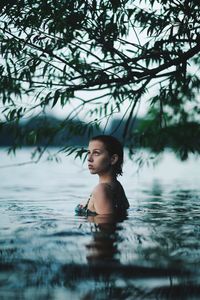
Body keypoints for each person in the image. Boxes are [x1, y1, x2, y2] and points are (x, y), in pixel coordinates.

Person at [75, 135, 129, 216]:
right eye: (89, 152)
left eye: (96, 153)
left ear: (113, 159)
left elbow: (107, 225)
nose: (89, 158)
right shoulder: (117, 186)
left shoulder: (101, 190)